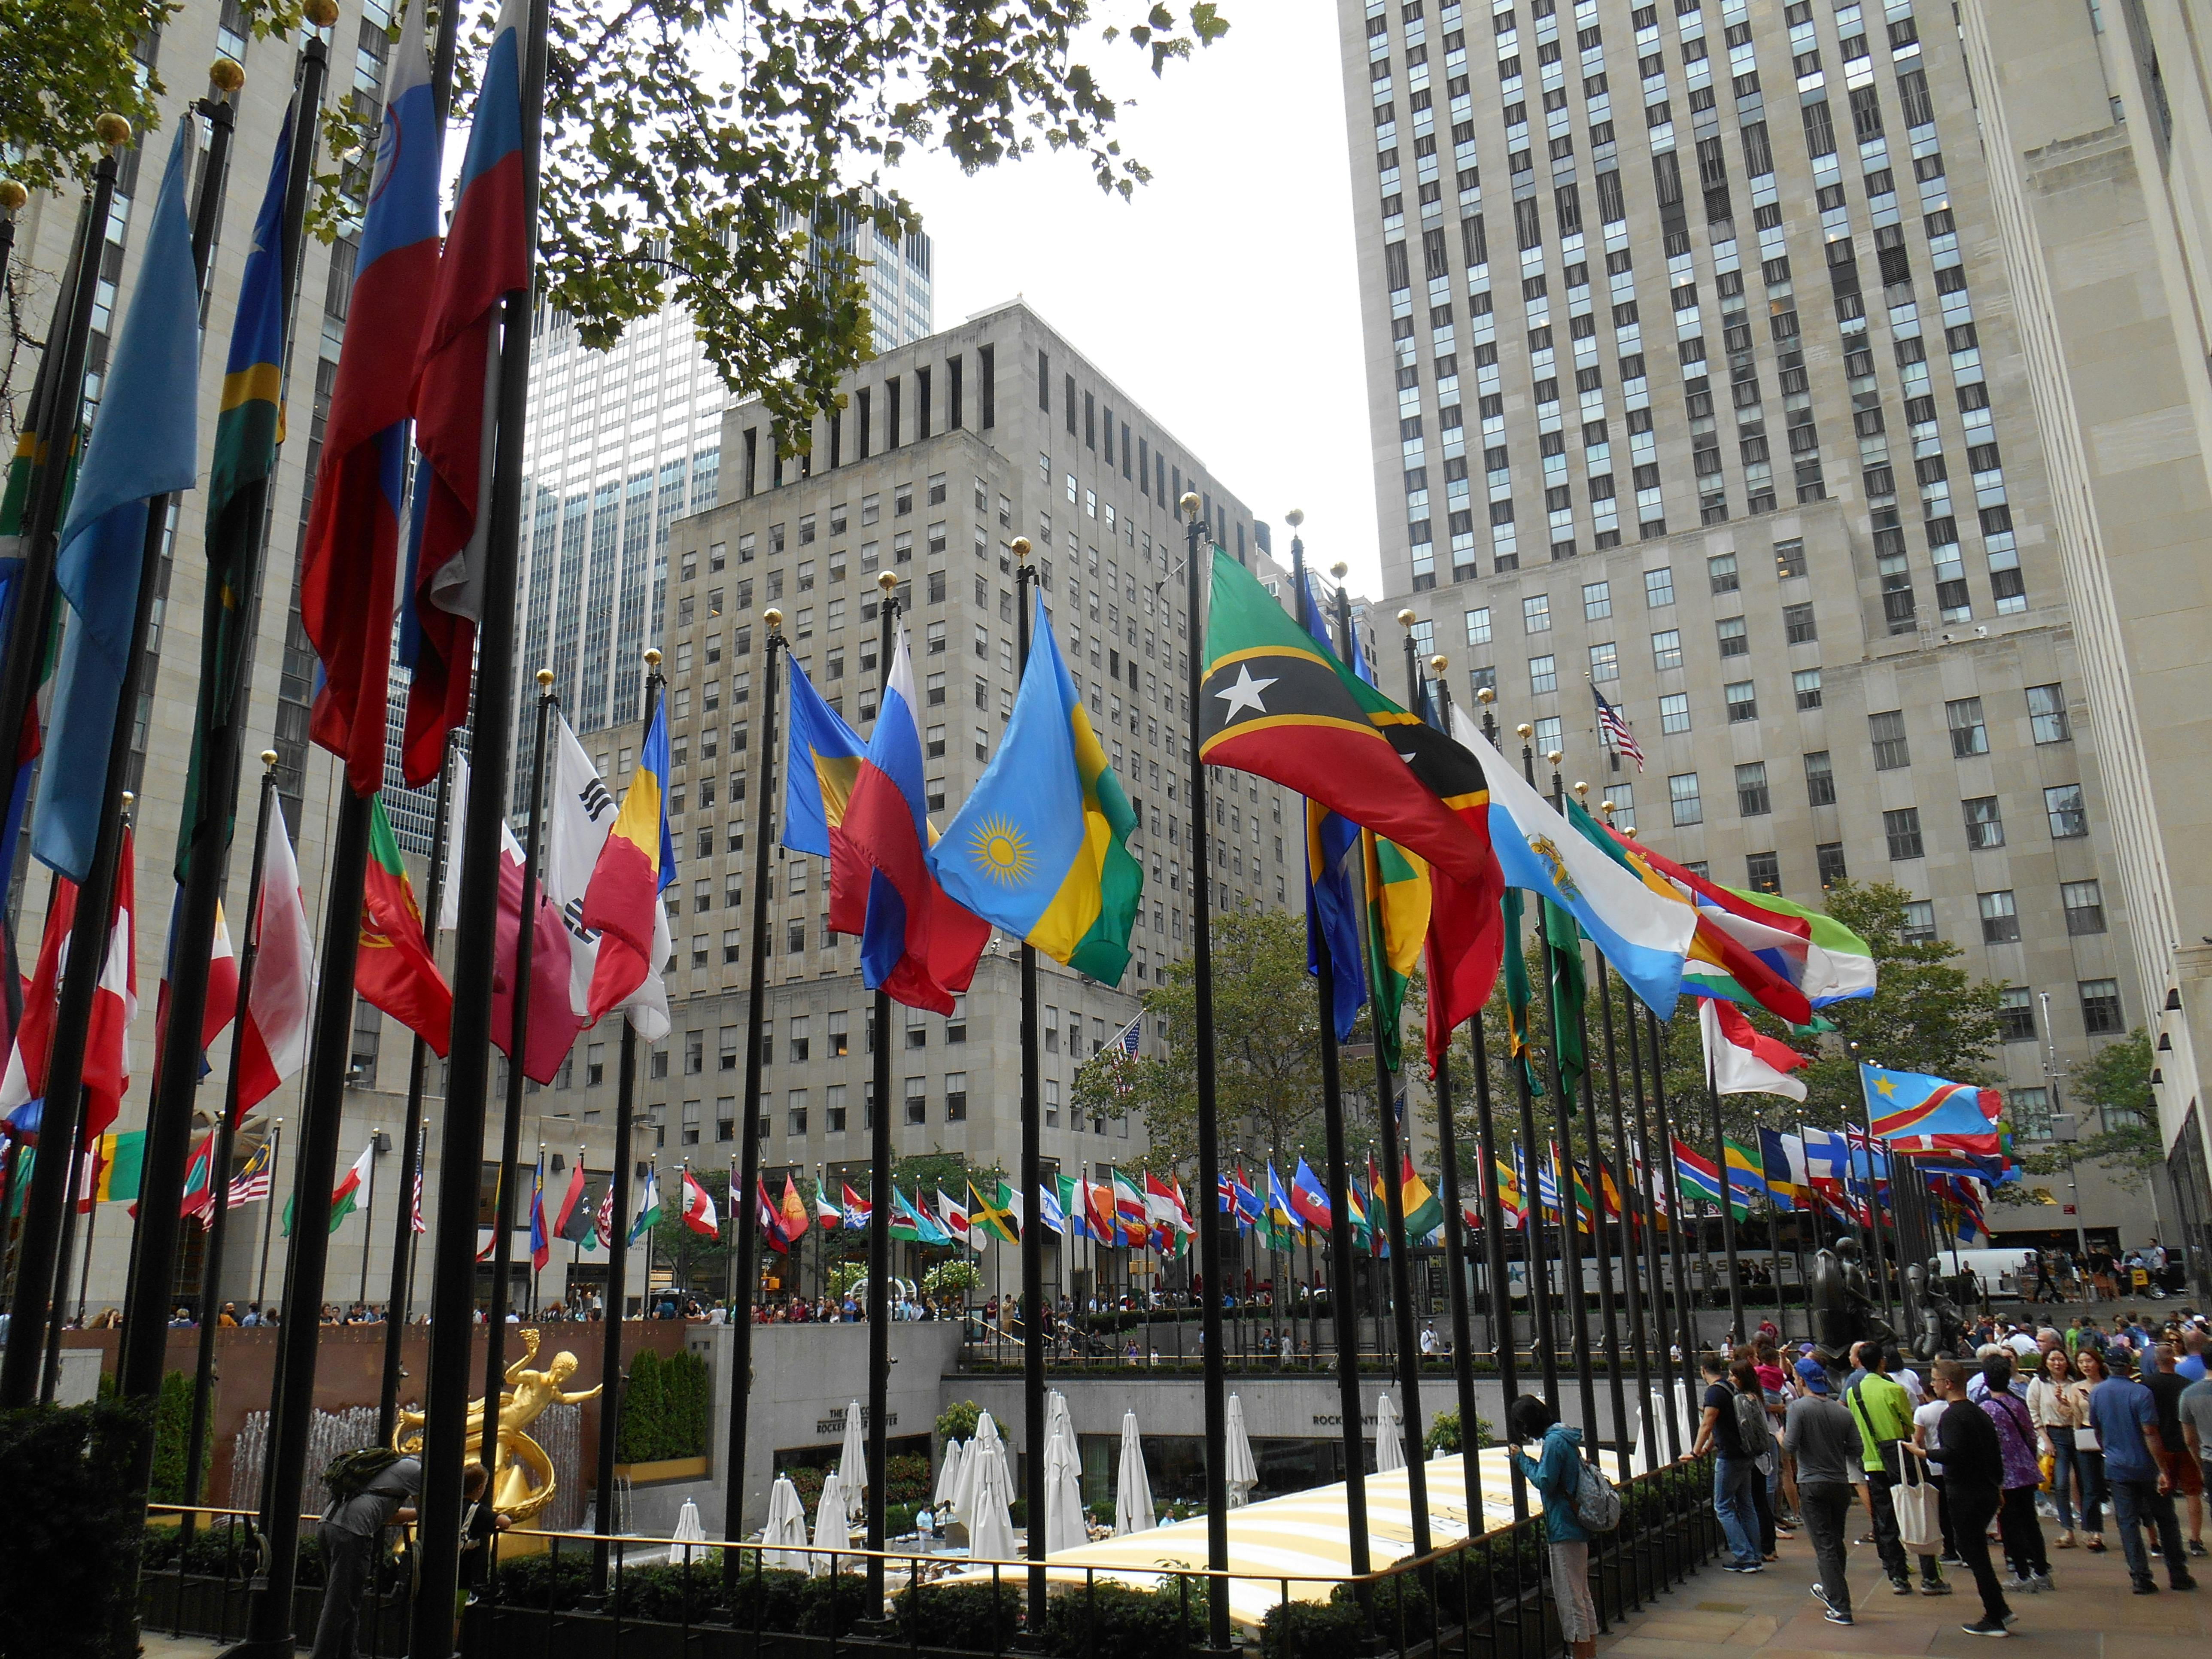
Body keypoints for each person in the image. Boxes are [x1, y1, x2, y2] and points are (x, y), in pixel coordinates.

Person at [1913, 1357, 2015, 1637]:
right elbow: (1995, 1454)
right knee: (1975, 1550)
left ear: (1948, 1383)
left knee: (1974, 1553)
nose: (1932, 1385)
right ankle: (1999, 1609)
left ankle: (1996, 1614)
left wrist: (1923, 1453)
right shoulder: (1979, 1412)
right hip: (1985, 1490)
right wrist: (1998, 1486)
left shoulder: (1954, 1415)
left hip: (1967, 1493)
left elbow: (1954, 1454)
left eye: (1935, 1380)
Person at [2086, 1346, 2198, 1594]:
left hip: (2117, 1466)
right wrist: (2163, 1470)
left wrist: (2109, 1451)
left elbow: (2097, 1427)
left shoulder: (2097, 1393)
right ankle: (2178, 1573)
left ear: (2106, 1365)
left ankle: (2140, 1577)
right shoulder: (2141, 1392)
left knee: (2127, 1523)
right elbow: (2150, 1432)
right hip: (2147, 1466)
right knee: (2166, 1519)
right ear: (2129, 1367)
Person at [1844, 1342, 1947, 1596]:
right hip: (1901, 1460)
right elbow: (1910, 1427)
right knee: (1918, 1512)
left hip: (1872, 1461)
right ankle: (1930, 1577)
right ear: (1882, 1361)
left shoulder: (1852, 1392)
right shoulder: (1893, 1390)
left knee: (1886, 1519)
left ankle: (1898, 1576)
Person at [1508, 1395, 1599, 1659]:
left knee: (1571, 1600)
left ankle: (1581, 1654)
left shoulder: (1554, 1442)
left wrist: (1521, 1459)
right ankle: (1588, 1652)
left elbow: (1545, 1480)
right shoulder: (1565, 1436)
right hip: (1574, 1525)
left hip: (1563, 1526)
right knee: (1581, 1594)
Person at [313, 1453, 422, 1659]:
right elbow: (427, 1511)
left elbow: (389, 1513)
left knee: (346, 1599)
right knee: (339, 1602)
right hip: (352, 1532)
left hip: (328, 1525)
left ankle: (348, 1654)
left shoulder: (382, 1470)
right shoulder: (415, 1470)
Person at [1785, 1360, 1865, 1625]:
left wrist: (1779, 1437)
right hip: (1839, 1483)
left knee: (1825, 1545)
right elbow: (1857, 1448)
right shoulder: (1841, 1411)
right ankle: (1832, 1590)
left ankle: (1841, 1606)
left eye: (1797, 1377)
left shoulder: (1798, 1408)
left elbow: (1790, 1446)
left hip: (1812, 1482)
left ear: (1803, 1381)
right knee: (1835, 1540)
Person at [1685, 1351, 1764, 1573]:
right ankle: (1755, 1555)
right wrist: (1709, 1446)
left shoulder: (1714, 1392)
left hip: (1730, 1456)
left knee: (1722, 1506)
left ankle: (1744, 1556)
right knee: (1746, 1504)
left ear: (1703, 1371)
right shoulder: (1732, 1388)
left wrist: (1695, 1451)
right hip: (1746, 1453)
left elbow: (1708, 1424)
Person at [1978, 1352, 2051, 1591]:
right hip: (2026, 1471)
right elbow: (2030, 1435)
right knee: (2030, 1522)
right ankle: (2041, 1571)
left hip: (2004, 1476)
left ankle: (2022, 1575)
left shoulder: (1987, 1408)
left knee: (2010, 1526)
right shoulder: (2017, 1402)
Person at [2143, 1343, 2207, 1557]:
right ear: (2175, 1360)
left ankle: (2158, 1541)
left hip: (2158, 1446)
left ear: (2155, 1362)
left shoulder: (2147, 1386)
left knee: (2160, 1495)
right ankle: (2195, 1540)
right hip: (2185, 1445)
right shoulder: (2186, 1386)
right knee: (2193, 1493)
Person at [2029, 1347, 2088, 1549]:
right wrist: (2046, 1440)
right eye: (2053, 1359)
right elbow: (2034, 1413)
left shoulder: (2075, 1383)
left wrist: (2068, 1404)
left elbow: (2081, 1412)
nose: (2057, 1363)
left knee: (2085, 1481)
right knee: (2061, 1483)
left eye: (2060, 1359)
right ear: (2046, 1362)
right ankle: (2068, 1530)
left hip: (2077, 1433)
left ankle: (2092, 1531)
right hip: (2054, 1435)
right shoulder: (2038, 1384)